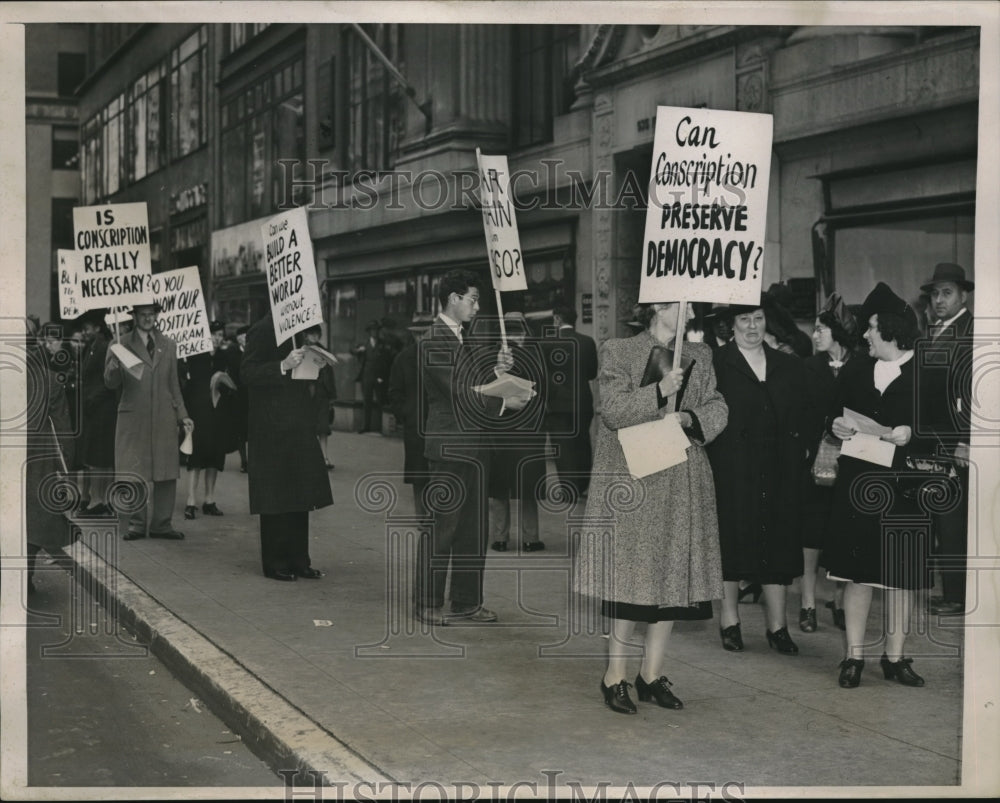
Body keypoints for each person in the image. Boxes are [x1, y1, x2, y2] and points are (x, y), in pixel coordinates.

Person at [573, 301, 728, 714]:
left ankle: (651, 674)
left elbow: (718, 406)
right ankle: (615, 676)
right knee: (631, 586)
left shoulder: (701, 354)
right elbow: (613, 411)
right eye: (685, 306)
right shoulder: (619, 350)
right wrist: (660, 390)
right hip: (633, 482)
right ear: (659, 305)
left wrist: (691, 417)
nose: (692, 314)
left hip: (680, 479)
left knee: (671, 585)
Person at [824, 282, 929, 688]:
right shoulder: (855, 369)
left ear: (890, 329)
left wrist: (910, 433)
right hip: (860, 483)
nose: (864, 335)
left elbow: (944, 427)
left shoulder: (925, 371)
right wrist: (835, 426)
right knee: (858, 574)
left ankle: (895, 656)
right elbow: (833, 416)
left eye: (870, 327)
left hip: (905, 487)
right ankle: (853, 657)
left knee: (900, 577)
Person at [414, 269, 523, 626]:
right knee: (442, 528)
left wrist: (496, 371)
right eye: (473, 300)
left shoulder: (466, 338)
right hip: (449, 446)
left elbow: (475, 384)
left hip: (475, 445)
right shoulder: (432, 340)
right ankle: (429, 603)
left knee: (473, 530)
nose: (477, 307)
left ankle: (466, 601)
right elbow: (460, 392)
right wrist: (504, 401)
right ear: (454, 299)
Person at [707, 299, 813, 656]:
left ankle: (778, 627)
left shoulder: (788, 366)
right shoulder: (716, 364)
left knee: (778, 545)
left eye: (758, 318)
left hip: (780, 469)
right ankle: (729, 621)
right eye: (744, 319)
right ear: (730, 325)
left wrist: (802, 454)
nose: (752, 326)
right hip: (732, 469)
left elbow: (804, 414)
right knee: (732, 543)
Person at [242, 312, 333, 581]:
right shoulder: (262, 329)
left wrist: (315, 365)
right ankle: (275, 562)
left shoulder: (300, 328)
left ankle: (299, 560)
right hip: (270, 427)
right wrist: (281, 365)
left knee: (300, 494)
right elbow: (247, 372)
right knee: (275, 497)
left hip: (298, 424)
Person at [104, 300, 193, 541]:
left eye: (151, 314)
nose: (147, 318)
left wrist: (183, 415)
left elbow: (174, 384)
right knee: (135, 471)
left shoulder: (169, 345)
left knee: (165, 470)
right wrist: (112, 366)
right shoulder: (118, 344)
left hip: (164, 416)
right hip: (134, 418)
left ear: (157, 315)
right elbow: (110, 383)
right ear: (134, 316)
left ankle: (162, 524)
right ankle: (135, 523)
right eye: (142, 314)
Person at [916, 263, 974, 616]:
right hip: (937, 440)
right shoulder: (936, 331)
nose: (939, 299)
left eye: (947, 292)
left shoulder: (970, 332)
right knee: (945, 516)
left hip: (957, 442)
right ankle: (953, 590)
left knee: (954, 519)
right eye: (935, 294)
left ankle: (958, 596)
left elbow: (974, 391)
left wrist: (966, 439)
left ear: (963, 295)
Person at [798, 294, 858, 633]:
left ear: (837, 331)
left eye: (820, 329)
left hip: (851, 463)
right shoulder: (808, 367)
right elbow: (801, 413)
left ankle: (838, 600)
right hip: (815, 464)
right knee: (810, 536)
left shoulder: (860, 365)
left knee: (844, 534)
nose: (815, 335)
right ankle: (807, 603)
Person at [489, 312, 548, 553]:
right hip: (525, 430)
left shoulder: (495, 354)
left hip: (505, 429)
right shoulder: (534, 353)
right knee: (524, 486)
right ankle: (529, 538)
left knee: (504, 487)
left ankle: (501, 538)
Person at [180, 321, 239, 519]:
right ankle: (190, 501)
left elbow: (231, 382)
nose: (217, 338)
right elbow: (189, 385)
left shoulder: (224, 356)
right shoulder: (196, 356)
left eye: (220, 334)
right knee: (195, 457)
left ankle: (209, 500)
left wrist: (225, 387)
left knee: (214, 456)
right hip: (199, 411)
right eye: (214, 334)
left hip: (218, 411)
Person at [543, 302, 597, 501]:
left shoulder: (548, 343)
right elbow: (592, 373)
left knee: (562, 446)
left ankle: (568, 489)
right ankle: (582, 485)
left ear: (557, 319)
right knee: (582, 442)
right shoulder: (588, 342)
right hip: (583, 401)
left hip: (557, 404)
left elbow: (544, 375)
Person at [75, 310, 118, 517]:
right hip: (93, 410)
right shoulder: (90, 348)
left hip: (102, 409)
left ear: (98, 328)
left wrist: (93, 398)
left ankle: (99, 500)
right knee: (94, 456)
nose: (85, 332)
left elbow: (106, 380)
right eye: (83, 329)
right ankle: (98, 499)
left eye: (88, 329)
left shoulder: (103, 347)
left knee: (99, 458)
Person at [387, 319, 431, 516]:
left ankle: (438, 517)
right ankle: (422, 517)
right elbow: (394, 392)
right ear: (412, 335)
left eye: (425, 332)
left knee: (439, 474)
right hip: (415, 424)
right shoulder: (403, 359)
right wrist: (406, 414)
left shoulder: (442, 355)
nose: (421, 337)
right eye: (417, 334)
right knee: (419, 475)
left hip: (439, 423)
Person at [303, 324, 337, 469]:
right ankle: (308, 458)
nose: (314, 337)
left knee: (323, 427)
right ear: (306, 335)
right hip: (307, 394)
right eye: (312, 334)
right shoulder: (301, 350)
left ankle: (324, 457)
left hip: (322, 394)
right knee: (307, 427)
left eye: (317, 334)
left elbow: (330, 375)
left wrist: (332, 396)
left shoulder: (324, 351)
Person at [353, 320, 395, 433]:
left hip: (379, 377)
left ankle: (382, 428)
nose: (374, 333)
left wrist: (382, 376)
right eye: (372, 330)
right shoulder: (364, 344)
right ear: (369, 332)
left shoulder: (383, 344)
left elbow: (387, 361)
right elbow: (352, 351)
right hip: (366, 377)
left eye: (376, 330)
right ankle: (366, 427)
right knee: (367, 402)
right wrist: (358, 350)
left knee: (381, 401)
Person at [233, 325, 250, 472]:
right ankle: (244, 461)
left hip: (252, 396)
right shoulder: (232, 353)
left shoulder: (253, 352)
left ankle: (252, 459)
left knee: (252, 429)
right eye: (242, 337)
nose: (245, 339)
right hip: (238, 397)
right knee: (240, 431)